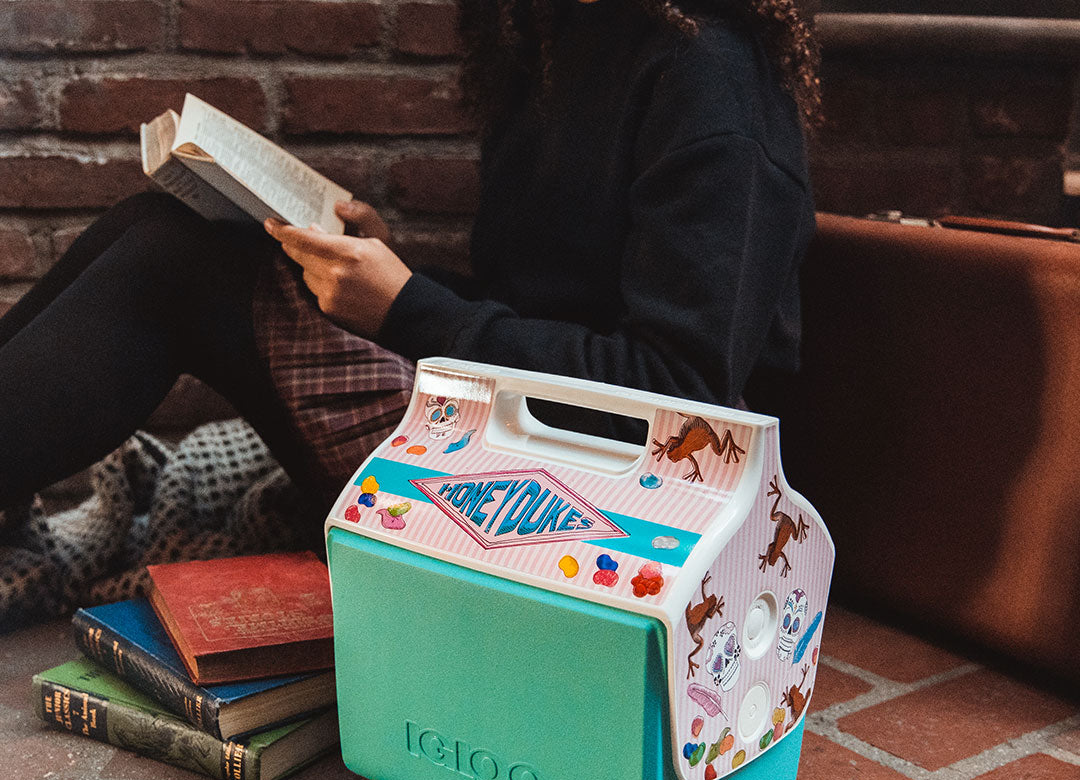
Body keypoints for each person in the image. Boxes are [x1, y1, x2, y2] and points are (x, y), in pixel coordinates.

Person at [0, 0, 820, 521]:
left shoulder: (712, 82)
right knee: (167, 222)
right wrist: (388, 273)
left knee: (173, 264)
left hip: (620, 501)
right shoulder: (558, 35)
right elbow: (534, 306)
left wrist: (407, 309)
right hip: (519, 425)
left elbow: (683, 399)